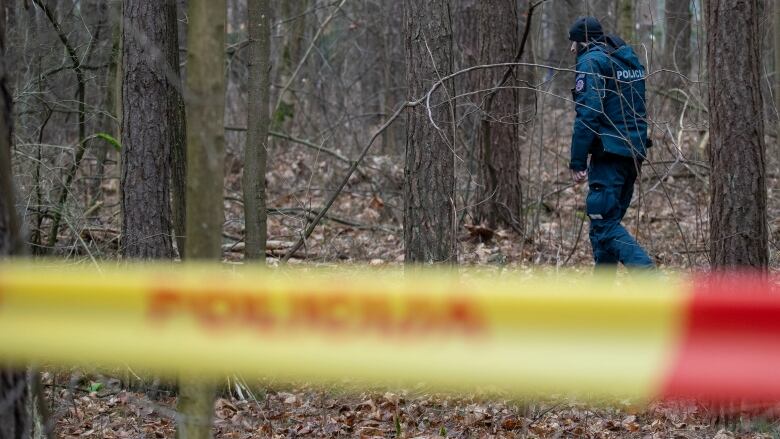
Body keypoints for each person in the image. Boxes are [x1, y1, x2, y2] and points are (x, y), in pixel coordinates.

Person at [567, 16, 654, 270]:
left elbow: (588, 112)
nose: (572, 49)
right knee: (604, 226)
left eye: (573, 42)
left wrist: (577, 161)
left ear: (583, 41)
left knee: (604, 225)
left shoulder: (592, 61)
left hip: (609, 156)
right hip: (633, 154)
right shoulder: (628, 60)